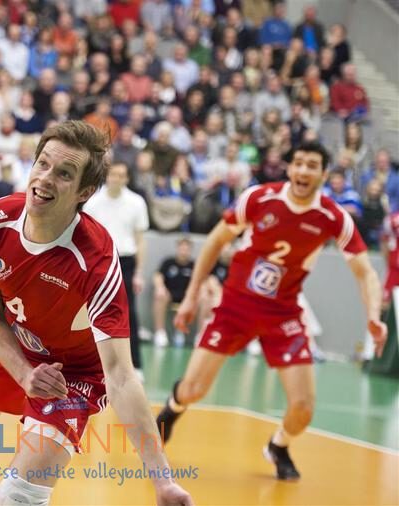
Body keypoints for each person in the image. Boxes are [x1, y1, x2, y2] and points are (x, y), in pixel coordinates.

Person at [0, 121, 193, 506]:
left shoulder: (96, 260)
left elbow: (121, 375)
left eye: (64, 173)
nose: (45, 179)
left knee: (18, 494)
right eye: (43, 164)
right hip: (13, 342)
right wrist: (24, 373)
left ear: (84, 192)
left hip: (72, 374)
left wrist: (163, 481)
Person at [156, 141, 387, 480]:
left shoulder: (333, 217)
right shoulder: (259, 198)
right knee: (194, 390)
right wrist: (191, 297)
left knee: (303, 409)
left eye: (312, 165)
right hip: (235, 306)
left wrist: (374, 317)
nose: (303, 171)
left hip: (284, 314)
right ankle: (172, 409)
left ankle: (278, 446)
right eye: (298, 163)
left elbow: (365, 272)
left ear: (324, 174)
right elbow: (216, 242)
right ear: (289, 168)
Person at [83, 162, 149, 380]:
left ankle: (135, 365)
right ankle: (93, 364)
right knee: (92, 312)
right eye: (113, 174)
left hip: (125, 261)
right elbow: (85, 237)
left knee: (128, 313)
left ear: (127, 179)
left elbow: (140, 240)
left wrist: (139, 272)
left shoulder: (136, 202)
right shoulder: (93, 202)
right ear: (107, 176)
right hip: (98, 261)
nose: (116, 178)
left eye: (121, 175)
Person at [151, 238, 195, 347]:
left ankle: (184, 331)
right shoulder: (168, 262)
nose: (184, 251)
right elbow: (157, 276)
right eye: (182, 248)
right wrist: (160, 287)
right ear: (178, 248)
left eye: (186, 249)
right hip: (169, 295)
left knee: (202, 299)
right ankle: (160, 333)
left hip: (187, 297)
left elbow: (202, 280)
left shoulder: (194, 265)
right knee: (159, 296)